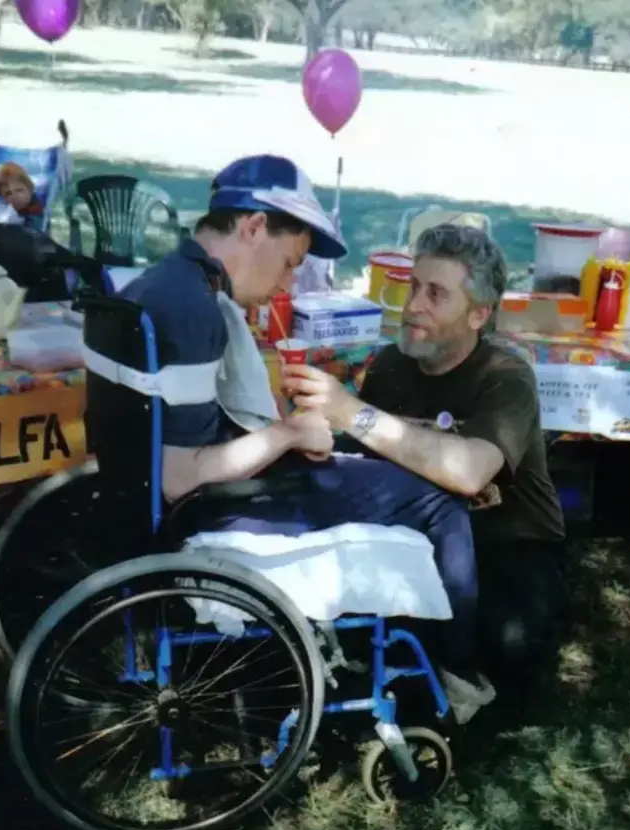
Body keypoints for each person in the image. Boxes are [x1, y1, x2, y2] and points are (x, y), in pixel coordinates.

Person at [120, 155, 495, 723]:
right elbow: (180, 477)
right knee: (439, 497)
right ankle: (455, 675)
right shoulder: (194, 306)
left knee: (370, 467)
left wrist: (288, 439)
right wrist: (288, 432)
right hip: (213, 509)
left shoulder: (157, 281)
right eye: (291, 264)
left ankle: (399, 645)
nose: (287, 283)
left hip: (163, 495)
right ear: (252, 227)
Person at [284, 223, 568, 698]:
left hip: (509, 539)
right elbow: (371, 455)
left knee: (508, 648)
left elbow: (470, 472)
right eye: (414, 287)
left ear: (478, 314)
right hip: (421, 532)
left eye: (436, 294)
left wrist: (350, 411)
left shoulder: (506, 376)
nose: (413, 305)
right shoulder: (393, 366)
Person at [0, 162, 46, 231]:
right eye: (8, 193)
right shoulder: (4, 208)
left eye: (19, 190)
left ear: (29, 189)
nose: (15, 196)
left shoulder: (37, 210)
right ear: (3, 198)